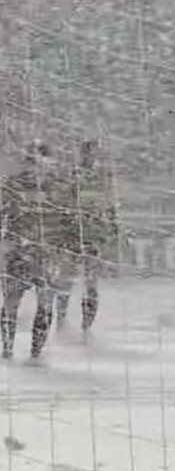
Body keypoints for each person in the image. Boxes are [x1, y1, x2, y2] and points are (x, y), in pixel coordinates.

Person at [1, 140, 73, 361]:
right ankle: (9, 348)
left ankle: (33, 352)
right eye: (32, 160)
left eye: (42, 159)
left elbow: (67, 220)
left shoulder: (56, 188)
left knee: (42, 303)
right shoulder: (12, 186)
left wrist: (63, 246)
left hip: (44, 253)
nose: (38, 164)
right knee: (14, 301)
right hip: (20, 252)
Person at [54, 139, 118, 335]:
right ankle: (61, 318)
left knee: (90, 281)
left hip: (94, 235)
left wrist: (112, 228)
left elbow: (110, 205)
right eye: (90, 153)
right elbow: (62, 203)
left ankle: (86, 325)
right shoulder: (73, 176)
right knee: (67, 278)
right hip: (74, 233)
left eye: (96, 153)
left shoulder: (103, 178)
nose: (93, 157)